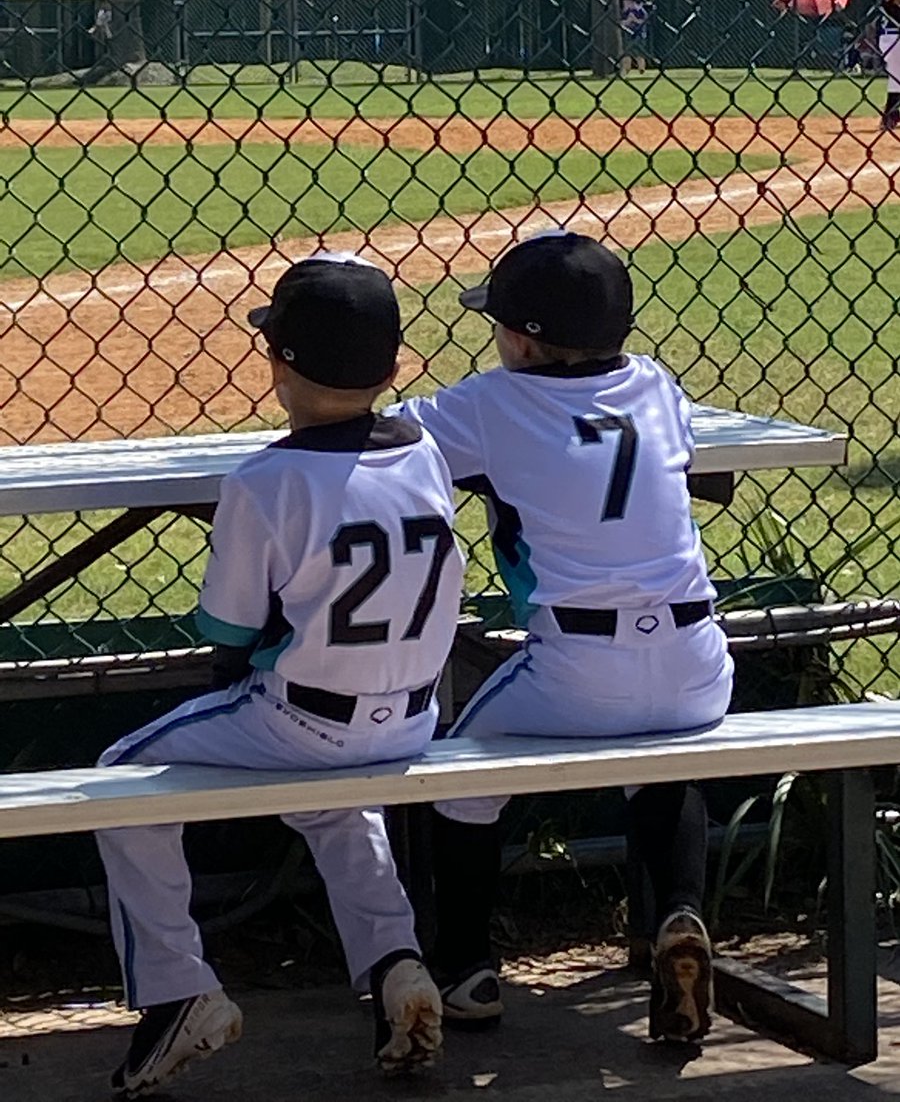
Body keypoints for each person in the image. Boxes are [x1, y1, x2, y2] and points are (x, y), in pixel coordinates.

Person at [95, 251, 465, 1095]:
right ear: (393, 364)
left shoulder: (264, 479)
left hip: (302, 720)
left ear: (280, 367)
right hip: (413, 720)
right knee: (334, 802)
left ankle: (178, 989)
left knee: (117, 778)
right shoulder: (425, 453)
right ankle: (398, 963)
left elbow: (225, 631)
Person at [396, 230, 734, 1043]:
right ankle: (678, 915)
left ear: (525, 337)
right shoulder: (654, 383)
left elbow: (382, 439)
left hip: (577, 666)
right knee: (664, 755)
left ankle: (469, 967)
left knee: (458, 781)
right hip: (700, 661)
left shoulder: (488, 402)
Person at [877, 0, 900, 131]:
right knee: (897, 79)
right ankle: (890, 115)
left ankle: (891, 115)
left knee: (897, 80)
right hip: (892, 38)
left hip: (893, 38)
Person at [619, 0, 652, 75]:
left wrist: (635, 20)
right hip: (628, 34)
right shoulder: (624, 12)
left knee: (639, 53)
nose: (624, 3)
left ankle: (641, 68)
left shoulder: (640, 10)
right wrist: (628, 21)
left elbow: (645, 21)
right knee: (627, 53)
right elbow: (621, 23)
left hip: (639, 34)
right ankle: (625, 69)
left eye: (626, 1)